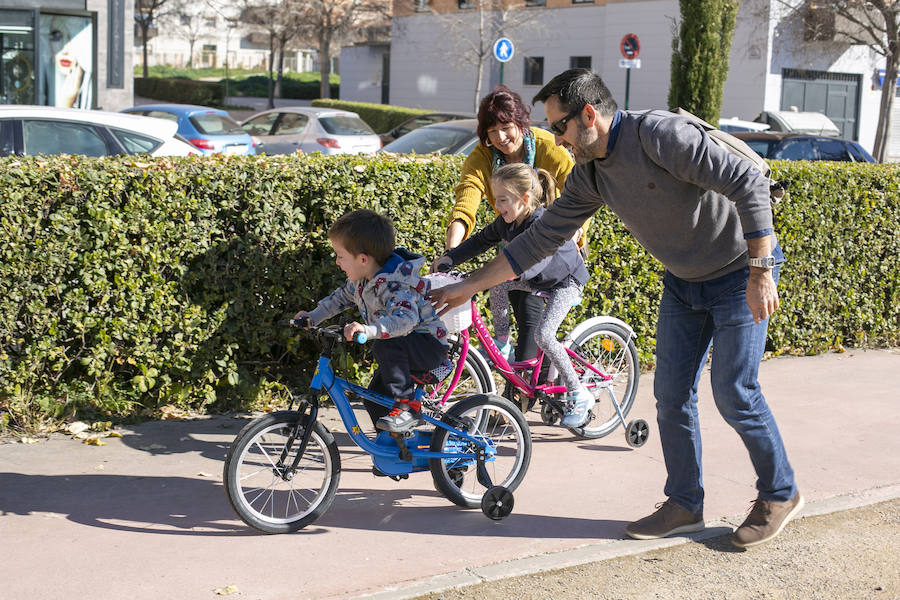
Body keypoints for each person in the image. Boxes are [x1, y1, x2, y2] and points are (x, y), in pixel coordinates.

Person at [429, 69, 802, 550]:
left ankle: (780, 492)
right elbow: (539, 240)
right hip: (684, 283)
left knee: (734, 391)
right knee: (670, 397)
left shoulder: (661, 136)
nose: (557, 139)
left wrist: (760, 271)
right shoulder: (590, 176)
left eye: (560, 127)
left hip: (737, 273)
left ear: (589, 115)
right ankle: (685, 502)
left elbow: (748, 180)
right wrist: (470, 286)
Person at [433, 163, 591, 426]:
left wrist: (507, 274)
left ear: (525, 198)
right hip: (538, 280)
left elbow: (537, 261)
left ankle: (578, 392)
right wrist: (451, 257)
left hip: (566, 281)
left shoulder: (540, 222)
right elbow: (481, 240)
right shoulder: (507, 223)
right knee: (498, 285)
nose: (497, 205)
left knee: (544, 335)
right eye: (495, 199)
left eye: (503, 200)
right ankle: (503, 342)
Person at [446, 85, 582, 373]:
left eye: (506, 128)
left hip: (553, 249)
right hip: (514, 247)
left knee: (534, 326)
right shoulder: (483, 156)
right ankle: (528, 386)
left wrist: (572, 233)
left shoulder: (549, 147)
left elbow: (579, 194)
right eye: (492, 132)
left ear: (521, 123)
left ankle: (522, 401)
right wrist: (452, 253)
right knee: (508, 305)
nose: (500, 137)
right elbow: (467, 200)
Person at [294, 209, 449, 434]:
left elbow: (405, 320)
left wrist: (369, 329)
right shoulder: (360, 281)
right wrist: (312, 316)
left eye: (340, 256)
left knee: (385, 345)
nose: (337, 262)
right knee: (375, 399)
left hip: (427, 345)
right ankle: (394, 452)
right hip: (403, 346)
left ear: (363, 259)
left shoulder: (395, 285)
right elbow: (337, 300)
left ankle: (408, 408)